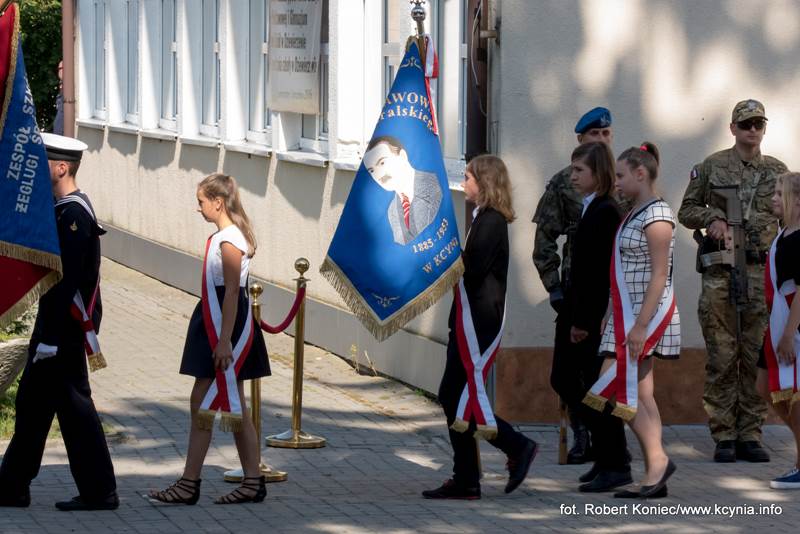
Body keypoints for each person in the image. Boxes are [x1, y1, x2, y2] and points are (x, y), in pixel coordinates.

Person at [0, 133, 118, 511]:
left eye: (45, 163)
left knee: (74, 410)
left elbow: (65, 280)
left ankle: (99, 491)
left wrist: (50, 337)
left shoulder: (74, 214)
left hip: (63, 329)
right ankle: (12, 486)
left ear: (62, 168)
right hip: (56, 327)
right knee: (34, 406)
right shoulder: (64, 209)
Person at [148, 174, 270, 505]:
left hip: (224, 326)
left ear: (218, 202)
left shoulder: (229, 240)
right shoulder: (224, 236)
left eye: (201, 201)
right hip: (216, 322)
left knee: (203, 402)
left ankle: (190, 483)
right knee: (232, 405)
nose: (198, 207)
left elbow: (230, 292)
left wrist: (225, 340)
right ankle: (252, 480)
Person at [678, 99, 787, 463]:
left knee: (756, 354)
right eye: (745, 124)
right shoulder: (712, 166)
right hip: (721, 272)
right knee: (722, 355)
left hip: (761, 272)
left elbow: (791, 216)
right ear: (733, 128)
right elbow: (686, 210)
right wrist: (712, 217)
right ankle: (724, 434)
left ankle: (751, 434)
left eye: (758, 124)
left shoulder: (777, 171)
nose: (752, 130)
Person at [423, 155, 538, 500]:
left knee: (455, 396)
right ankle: (468, 477)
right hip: (468, 319)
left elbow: (471, 270)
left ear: (484, 182)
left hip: (478, 323)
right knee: (455, 396)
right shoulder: (483, 218)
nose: (463, 183)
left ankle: (515, 446)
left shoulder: (491, 221)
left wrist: (442, 248)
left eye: (468, 177)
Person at [584, 142, 680, 499]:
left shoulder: (658, 214)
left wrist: (640, 325)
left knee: (611, 386)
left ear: (641, 174)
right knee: (639, 393)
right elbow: (624, 269)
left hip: (645, 316)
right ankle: (655, 468)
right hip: (626, 314)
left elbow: (659, 275)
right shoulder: (634, 212)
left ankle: (658, 461)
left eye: (622, 175)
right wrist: (611, 311)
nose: (617, 182)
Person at [549, 141, 632, 492]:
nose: (573, 176)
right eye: (572, 169)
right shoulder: (591, 206)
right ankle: (607, 456)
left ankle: (616, 460)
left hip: (588, 316)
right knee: (566, 381)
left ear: (598, 173)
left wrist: (583, 322)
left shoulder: (605, 211)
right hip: (576, 310)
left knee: (585, 386)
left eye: (579, 170)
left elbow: (597, 273)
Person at [533, 106, 614, 464]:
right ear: (581, 139)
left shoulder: (623, 179)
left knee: (602, 374)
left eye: (606, 134)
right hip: (575, 293)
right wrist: (554, 287)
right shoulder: (564, 182)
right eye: (595, 134)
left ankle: (609, 445)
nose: (602, 140)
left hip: (611, 297)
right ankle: (583, 432)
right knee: (567, 375)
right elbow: (544, 241)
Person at [756, 172, 800, 489]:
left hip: (792, 329)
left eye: (779, 192)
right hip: (776, 325)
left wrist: (788, 335)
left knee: (794, 396)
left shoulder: (799, 239)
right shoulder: (783, 233)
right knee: (763, 387)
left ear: (797, 201)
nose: (773, 197)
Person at [363, 135, 442, 245]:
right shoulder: (392, 210)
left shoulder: (433, 184)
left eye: (382, 163)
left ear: (403, 156)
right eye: (372, 170)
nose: (379, 174)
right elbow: (402, 246)